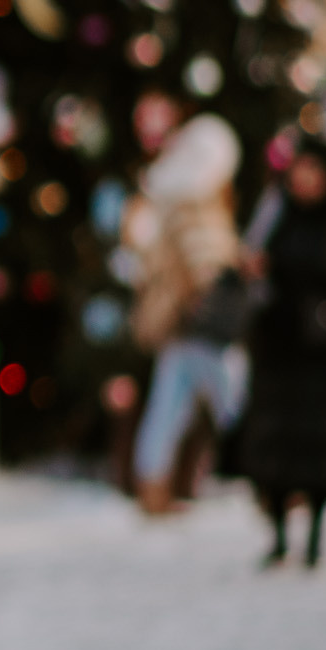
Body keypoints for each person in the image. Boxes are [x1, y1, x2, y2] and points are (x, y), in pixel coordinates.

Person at [240, 136, 326, 569]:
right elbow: (252, 266)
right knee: (273, 447)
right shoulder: (275, 209)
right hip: (276, 348)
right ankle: (277, 535)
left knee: (317, 450)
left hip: (319, 348)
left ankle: (314, 537)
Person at [127, 114, 249, 517]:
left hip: (175, 321)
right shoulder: (197, 203)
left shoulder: (169, 201)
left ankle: (153, 487)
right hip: (201, 321)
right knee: (234, 397)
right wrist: (220, 282)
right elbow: (206, 259)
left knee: (168, 407)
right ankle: (264, 476)